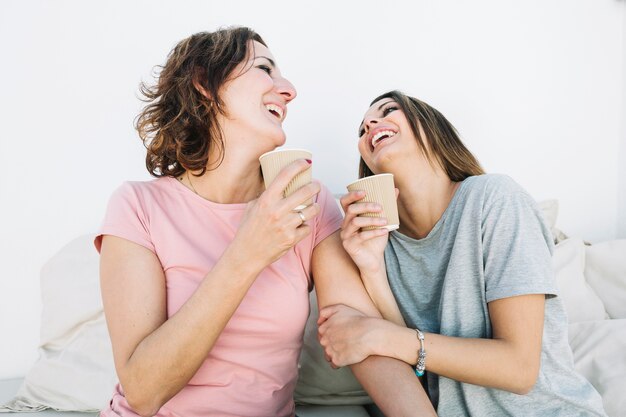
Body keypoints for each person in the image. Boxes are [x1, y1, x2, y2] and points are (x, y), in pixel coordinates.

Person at [95, 29, 435, 417]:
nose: (288, 89)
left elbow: (358, 334)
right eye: (264, 68)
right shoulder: (138, 206)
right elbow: (142, 391)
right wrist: (247, 253)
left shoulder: (308, 202)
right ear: (204, 82)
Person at [318, 90, 608, 416]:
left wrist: (378, 336)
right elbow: (416, 373)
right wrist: (373, 271)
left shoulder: (495, 198)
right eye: (361, 129)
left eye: (388, 110)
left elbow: (519, 369)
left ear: (432, 128)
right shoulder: (378, 243)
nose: (370, 123)